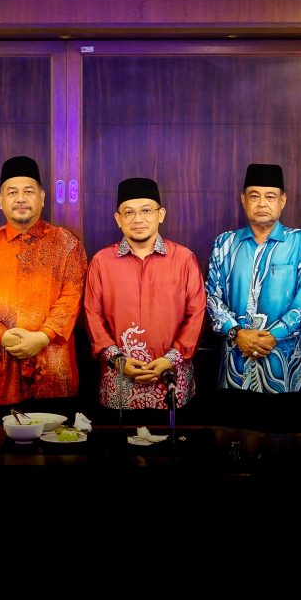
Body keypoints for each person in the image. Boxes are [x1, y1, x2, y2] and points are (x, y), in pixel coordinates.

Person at [0, 156, 87, 413]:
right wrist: (3, 335)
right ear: (0, 201)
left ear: (42, 197)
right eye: (12, 192)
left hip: (53, 370)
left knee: (57, 436)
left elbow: (72, 297)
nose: (20, 199)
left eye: (28, 191)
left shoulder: (67, 244)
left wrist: (42, 336)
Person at [206, 163, 301, 431]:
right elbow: (211, 297)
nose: (262, 203)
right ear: (243, 199)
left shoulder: (300, 242)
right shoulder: (225, 243)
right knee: (234, 449)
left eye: (270, 196)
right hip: (234, 372)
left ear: (282, 201)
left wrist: (272, 336)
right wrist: (237, 333)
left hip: (285, 373)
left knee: (282, 450)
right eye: (254, 196)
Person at [83, 177, 206, 421]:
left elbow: (197, 314)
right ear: (118, 219)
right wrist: (117, 360)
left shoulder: (184, 259)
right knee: (118, 445)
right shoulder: (101, 262)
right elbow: (92, 314)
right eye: (129, 212)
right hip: (119, 387)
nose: (138, 219)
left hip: (171, 383)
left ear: (161, 214)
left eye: (146, 210)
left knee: (173, 445)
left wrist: (169, 360)